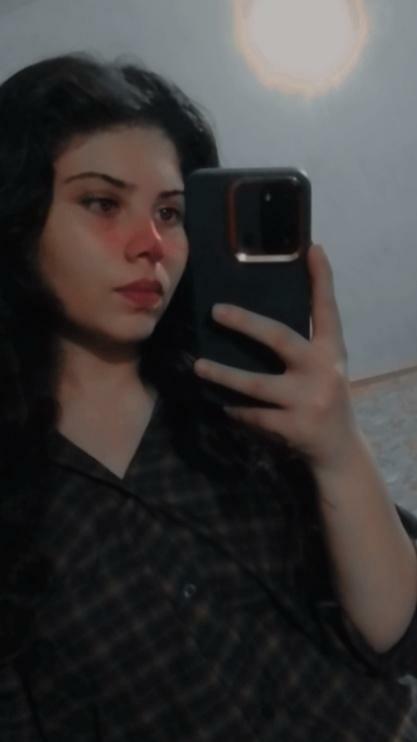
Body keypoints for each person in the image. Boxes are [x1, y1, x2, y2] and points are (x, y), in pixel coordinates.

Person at [0, 53, 416, 742]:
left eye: (169, 212)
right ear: (17, 221)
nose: (152, 244)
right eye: (102, 203)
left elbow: (395, 637)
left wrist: (339, 447)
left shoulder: (242, 395)